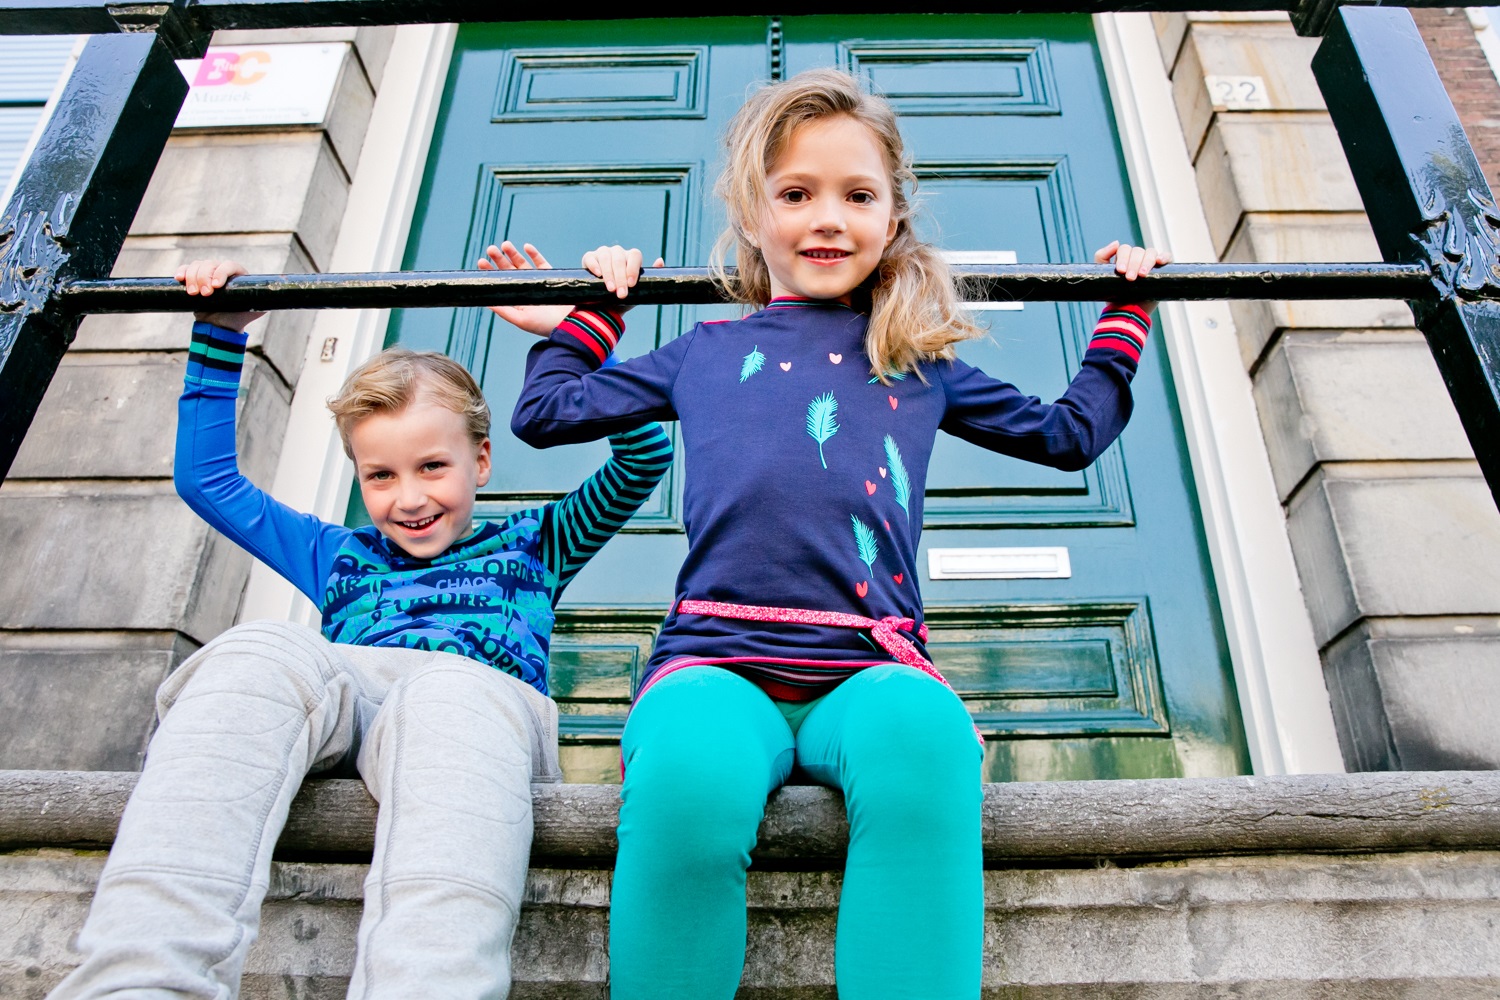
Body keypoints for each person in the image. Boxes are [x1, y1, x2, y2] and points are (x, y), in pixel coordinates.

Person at [502, 68, 1168, 1000]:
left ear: (893, 220)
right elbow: (546, 411)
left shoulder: (917, 366)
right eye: (796, 194)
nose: (827, 219)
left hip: (871, 666)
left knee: (927, 744)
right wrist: (590, 318)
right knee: (688, 781)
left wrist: (1126, 311)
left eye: (858, 196)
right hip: (715, 662)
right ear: (751, 214)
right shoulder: (705, 352)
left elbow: (1067, 436)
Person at [50, 260, 673, 1000]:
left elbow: (644, 459)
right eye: (381, 476)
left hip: (472, 722)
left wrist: (573, 335)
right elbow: (208, 481)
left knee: (450, 694)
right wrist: (218, 335)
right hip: (352, 707)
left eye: (433, 467)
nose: (409, 498)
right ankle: (140, 983)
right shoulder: (334, 554)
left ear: (481, 459)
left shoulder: (540, 542)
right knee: (258, 650)